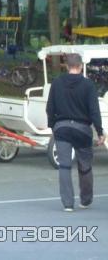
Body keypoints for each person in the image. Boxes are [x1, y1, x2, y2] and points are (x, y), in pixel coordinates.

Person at [46, 53, 105, 212]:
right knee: (85, 165)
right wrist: (100, 132)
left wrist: (53, 126)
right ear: (80, 66)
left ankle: (67, 203)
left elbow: (50, 108)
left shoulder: (57, 83)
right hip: (82, 129)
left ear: (66, 66)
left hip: (62, 128)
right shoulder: (88, 85)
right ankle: (85, 200)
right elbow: (94, 111)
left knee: (64, 166)